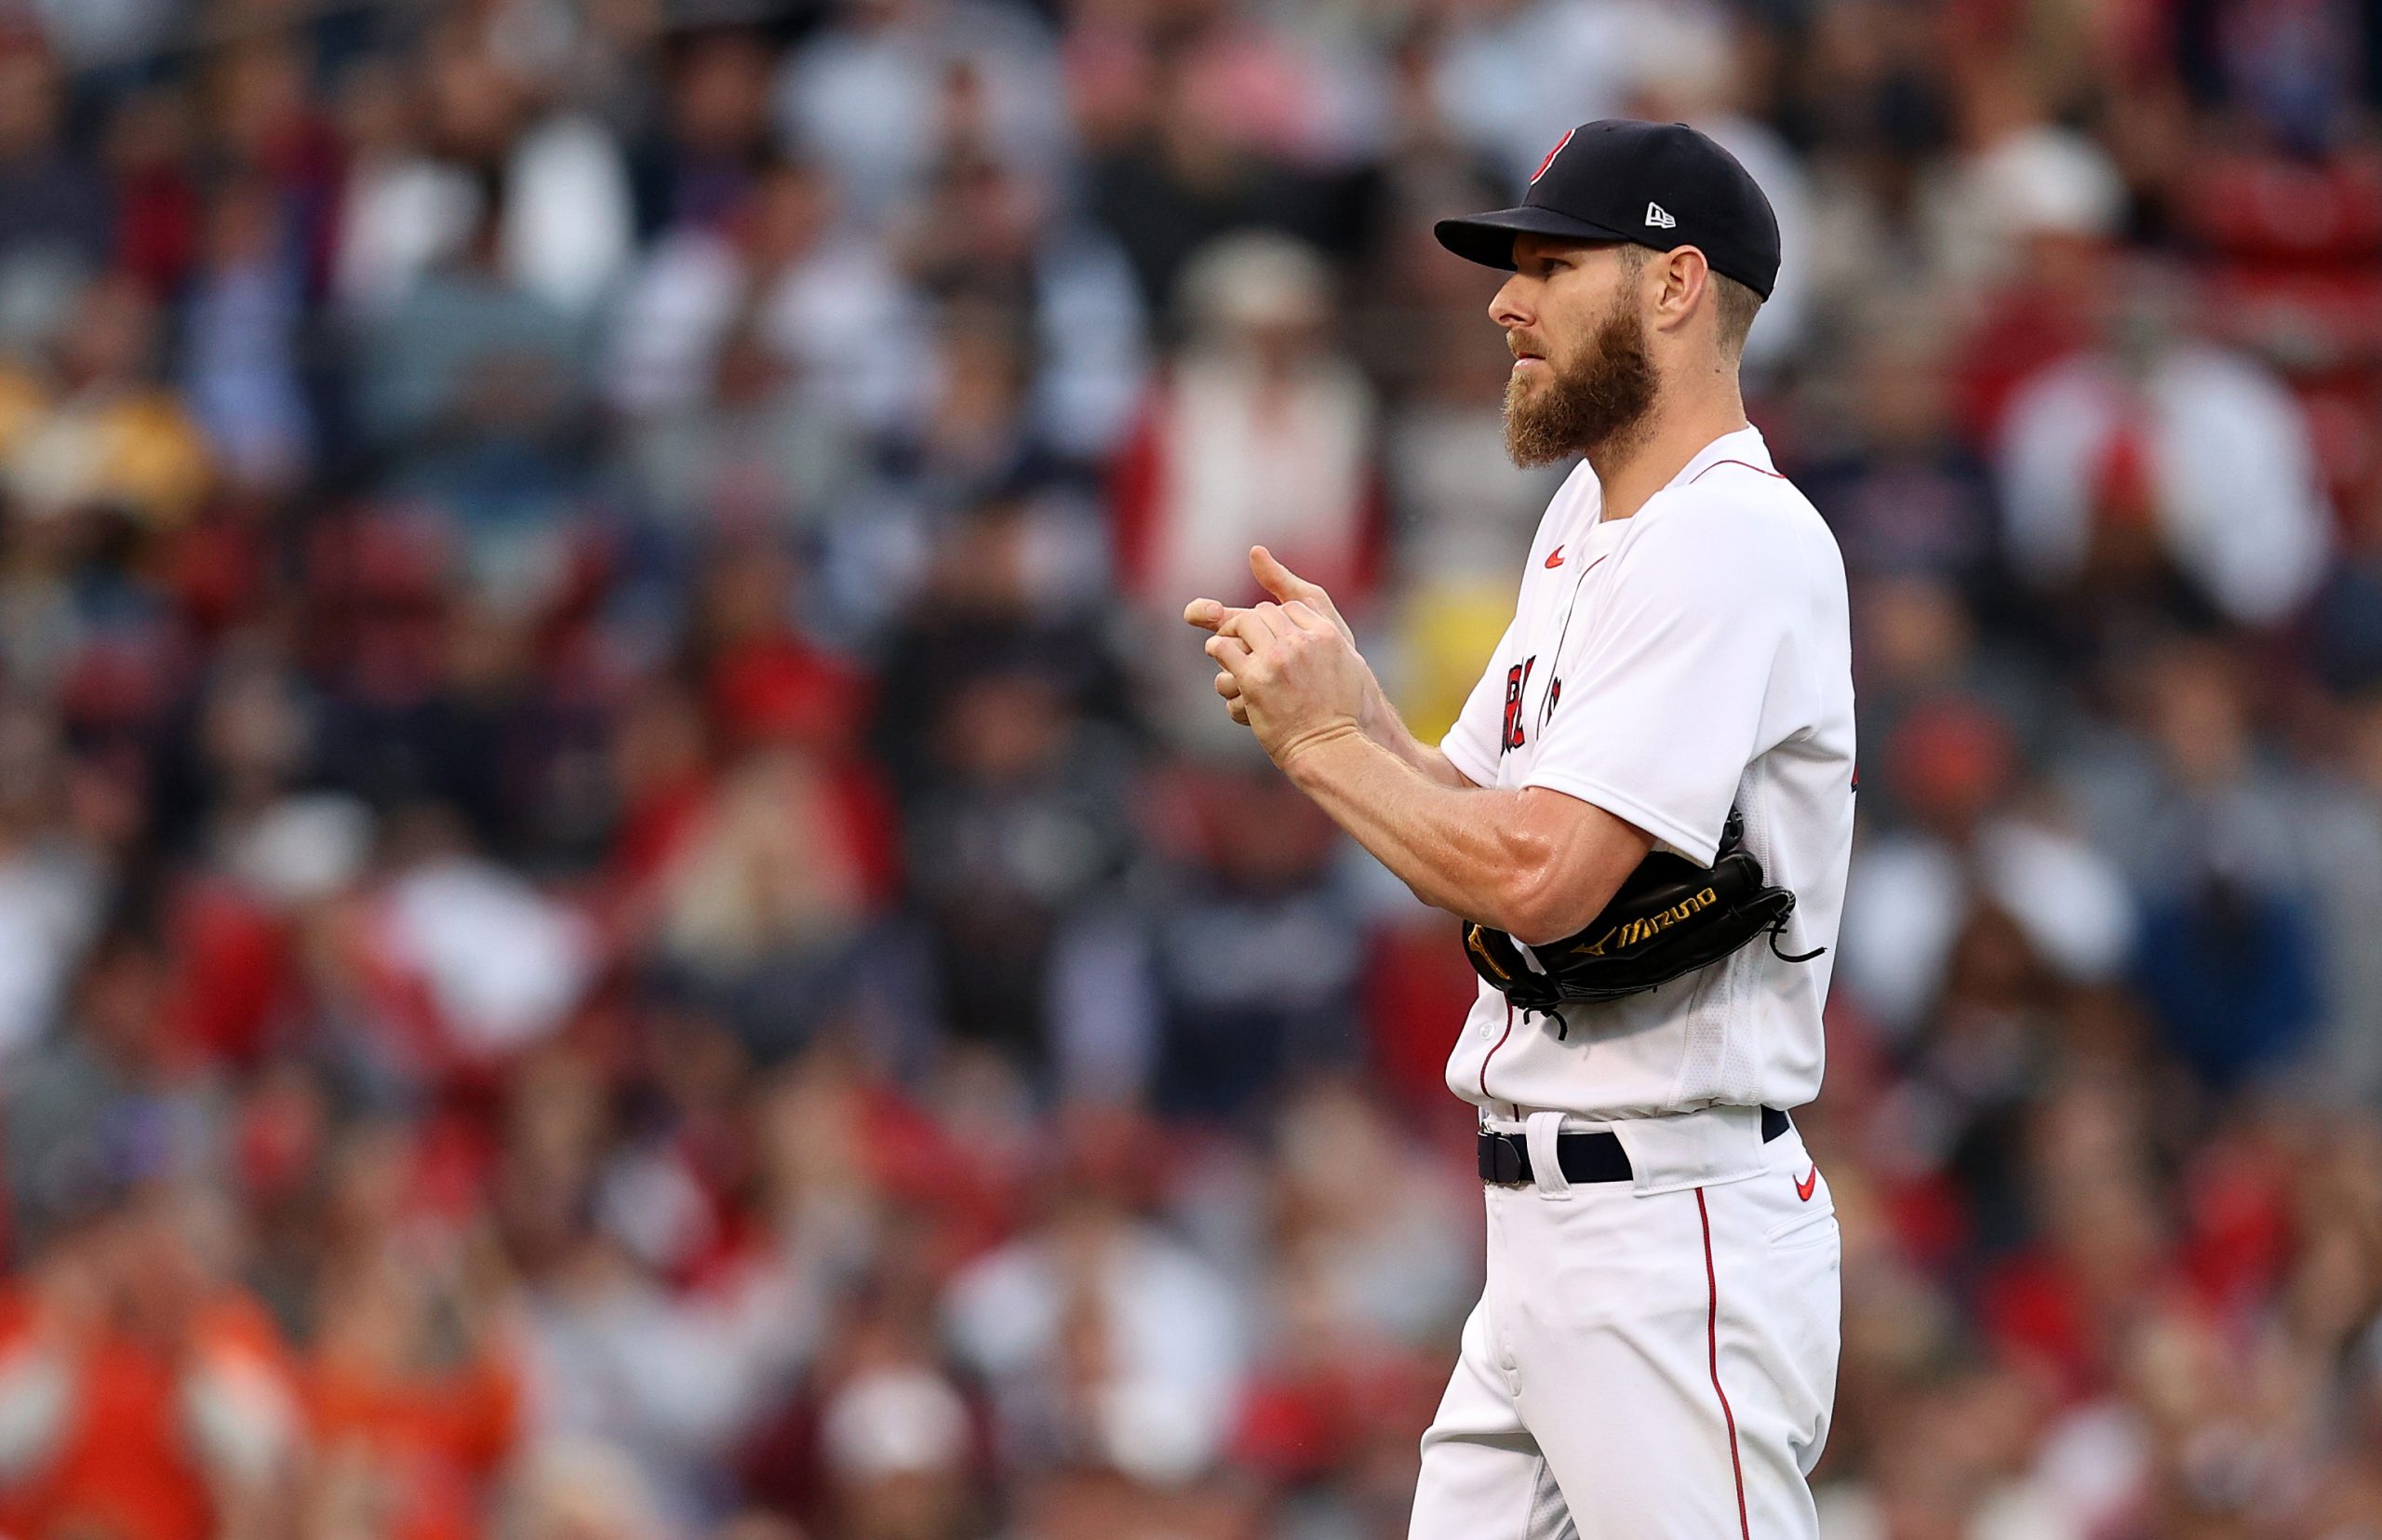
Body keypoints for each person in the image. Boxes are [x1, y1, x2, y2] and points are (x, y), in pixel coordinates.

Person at [1184, 118, 1854, 1536]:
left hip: (1670, 1235)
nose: (1505, 301)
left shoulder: (1733, 535)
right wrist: (1354, 711)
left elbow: (1540, 878)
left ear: (1675, 287)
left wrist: (1318, 750)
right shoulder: (1588, 518)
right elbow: (1474, 816)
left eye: (1552, 265)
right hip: (1551, 1236)